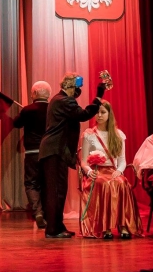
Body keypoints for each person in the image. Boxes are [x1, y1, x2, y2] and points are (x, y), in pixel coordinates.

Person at [38, 72, 111, 239]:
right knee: (56, 191)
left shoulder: (58, 100)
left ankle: (57, 226)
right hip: (55, 151)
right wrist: (99, 95)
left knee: (58, 190)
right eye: (77, 88)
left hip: (53, 151)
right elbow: (84, 114)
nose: (78, 92)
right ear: (69, 87)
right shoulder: (64, 100)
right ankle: (53, 229)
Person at [78, 100, 141, 239]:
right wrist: (89, 172)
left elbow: (122, 160)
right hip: (96, 171)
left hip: (113, 170)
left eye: (103, 112)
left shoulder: (118, 135)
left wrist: (119, 171)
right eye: (97, 112)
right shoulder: (89, 134)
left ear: (109, 114)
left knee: (121, 183)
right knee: (104, 184)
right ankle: (105, 227)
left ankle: (123, 225)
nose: (99, 115)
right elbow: (83, 162)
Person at [12, 81, 51, 229]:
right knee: (48, 183)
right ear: (48, 94)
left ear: (34, 94)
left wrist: (24, 112)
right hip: (49, 152)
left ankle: (38, 212)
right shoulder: (53, 109)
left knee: (31, 183)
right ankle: (48, 214)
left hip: (32, 152)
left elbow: (16, 123)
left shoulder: (27, 110)